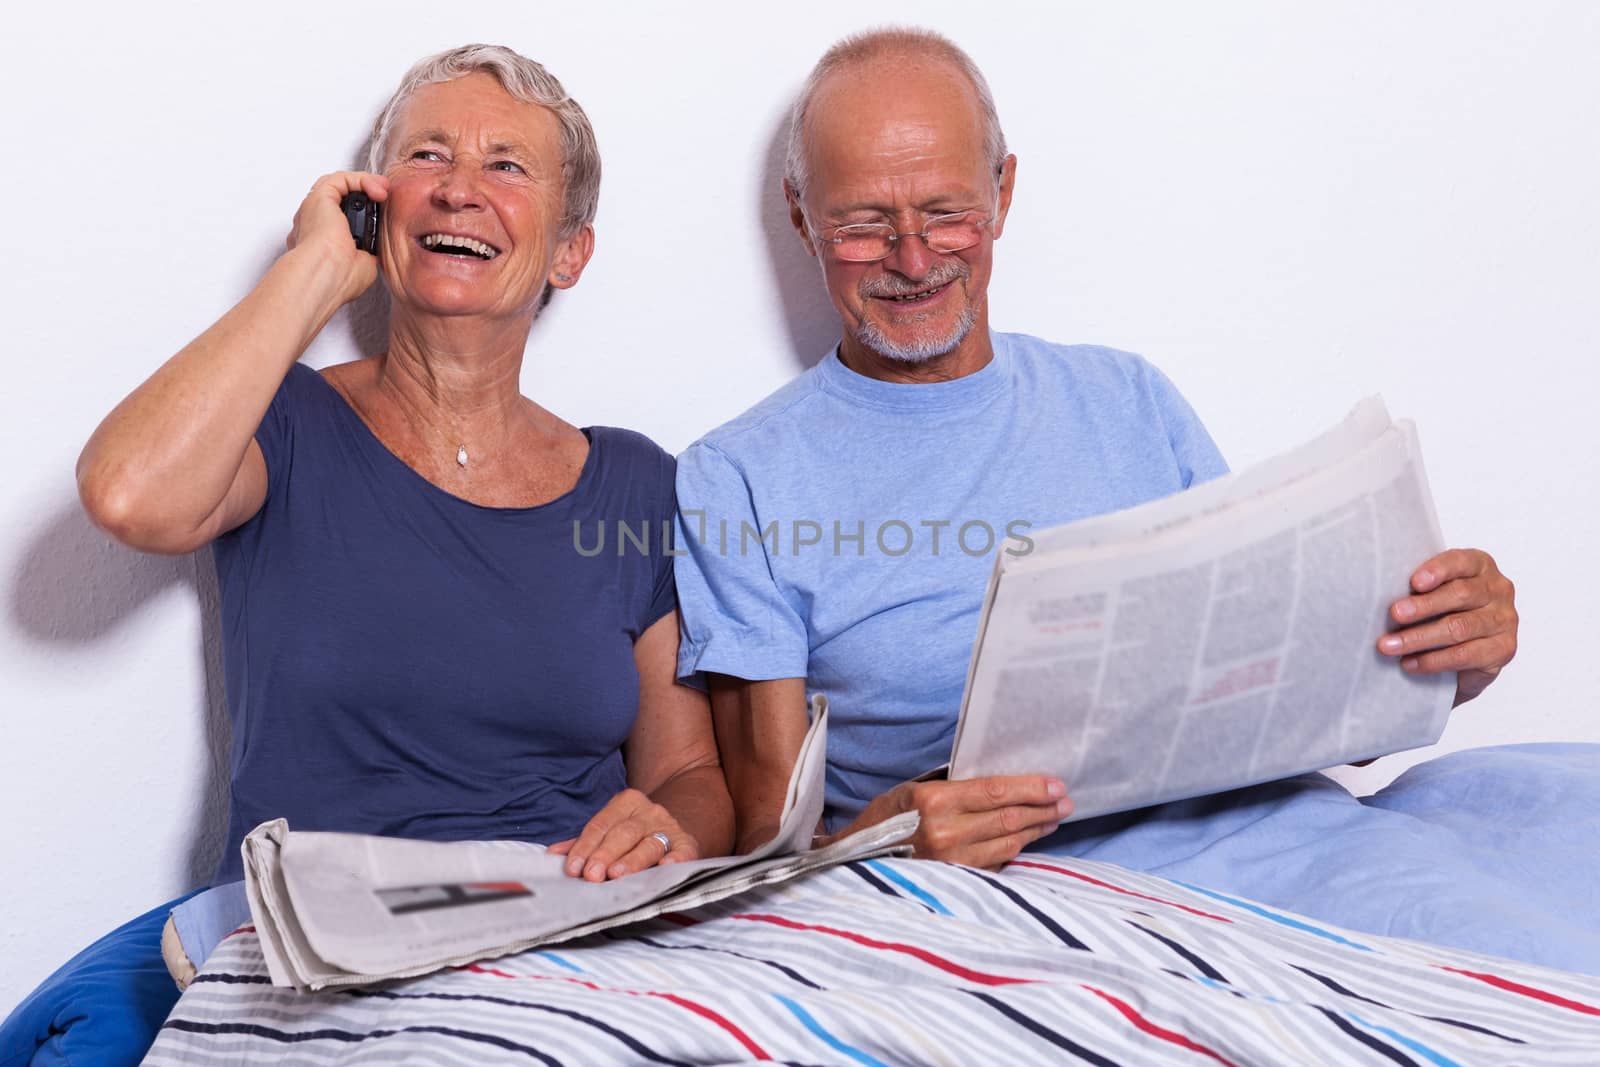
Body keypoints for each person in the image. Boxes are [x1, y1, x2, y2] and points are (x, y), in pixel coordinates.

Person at [668, 28, 1597, 972]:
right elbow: (767, 849)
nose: (913, 258)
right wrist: (877, 841)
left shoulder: (1129, 399)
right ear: (799, 215)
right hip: (1038, 902)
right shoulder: (739, 476)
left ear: (1005, 192)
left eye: (948, 212)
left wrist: (1442, 654)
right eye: (863, 223)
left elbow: (1287, 691)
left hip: (1292, 837)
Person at [1, 44, 731, 1067]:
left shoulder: (634, 483)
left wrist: (670, 826)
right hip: (322, 943)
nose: (459, 187)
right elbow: (130, 495)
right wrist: (309, 270)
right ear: (378, 207)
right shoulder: (286, 419)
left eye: (507, 166)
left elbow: (692, 769)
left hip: (558, 936)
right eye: (427, 154)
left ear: (570, 252)